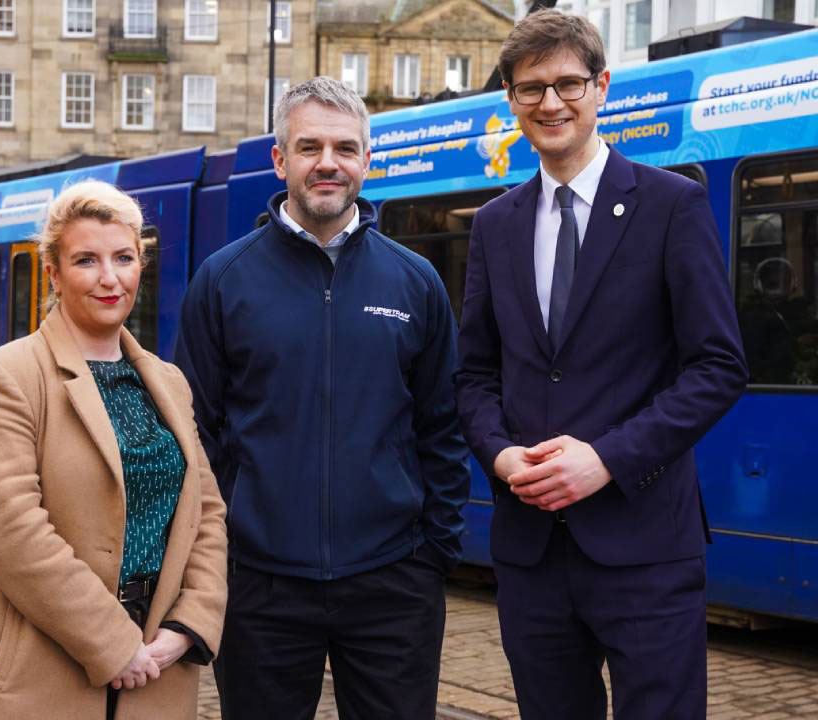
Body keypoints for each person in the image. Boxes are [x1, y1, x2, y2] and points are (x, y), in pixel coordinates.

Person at [454, 10, 748, 720]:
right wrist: (499, 457)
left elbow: (718, 365)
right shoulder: (494, 224)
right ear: (511, 100)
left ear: (602, 86)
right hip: (531, 552)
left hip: (644, 543)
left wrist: (608, 459)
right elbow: (474, 374)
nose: (550, 103)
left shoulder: (672, 205)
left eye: (567, 84)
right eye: (530, 89)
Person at [175, 76, 469, 720]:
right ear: (280, 160)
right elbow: (194, 431)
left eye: (345, 148)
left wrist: (432, 555)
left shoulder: (416, 281)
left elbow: (441, 426)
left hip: (393, 580)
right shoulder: (223, 280)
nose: (328, 163)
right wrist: (226, 552)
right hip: (261, 585)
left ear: (367, 159)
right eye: (309, 147)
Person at [0, 181, 227, 720]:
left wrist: (189, 625)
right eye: (86, 260)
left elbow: (206, 514)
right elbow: (13, 532)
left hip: (158, 663)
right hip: (49, 665)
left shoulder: (168, 382)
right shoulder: (6, 376)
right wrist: (112, 643)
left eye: (124, 258)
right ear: (52, 271)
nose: (109, 278)